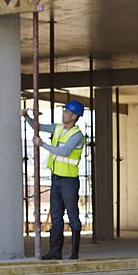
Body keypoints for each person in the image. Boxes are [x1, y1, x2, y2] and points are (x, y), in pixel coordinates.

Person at [23, 100, 87, 260]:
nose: (63, 113)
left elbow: (64, 151)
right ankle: (55, 252)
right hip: (56, 179)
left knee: (73, 217)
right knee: (56, 217)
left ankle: (74, 254)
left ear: (74, 116)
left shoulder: (77, 135)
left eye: (66, 112)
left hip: (69, 182)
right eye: (64, 111)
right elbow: (39, 127)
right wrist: (27, 117)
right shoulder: (58, 128)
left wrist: (42, 144)